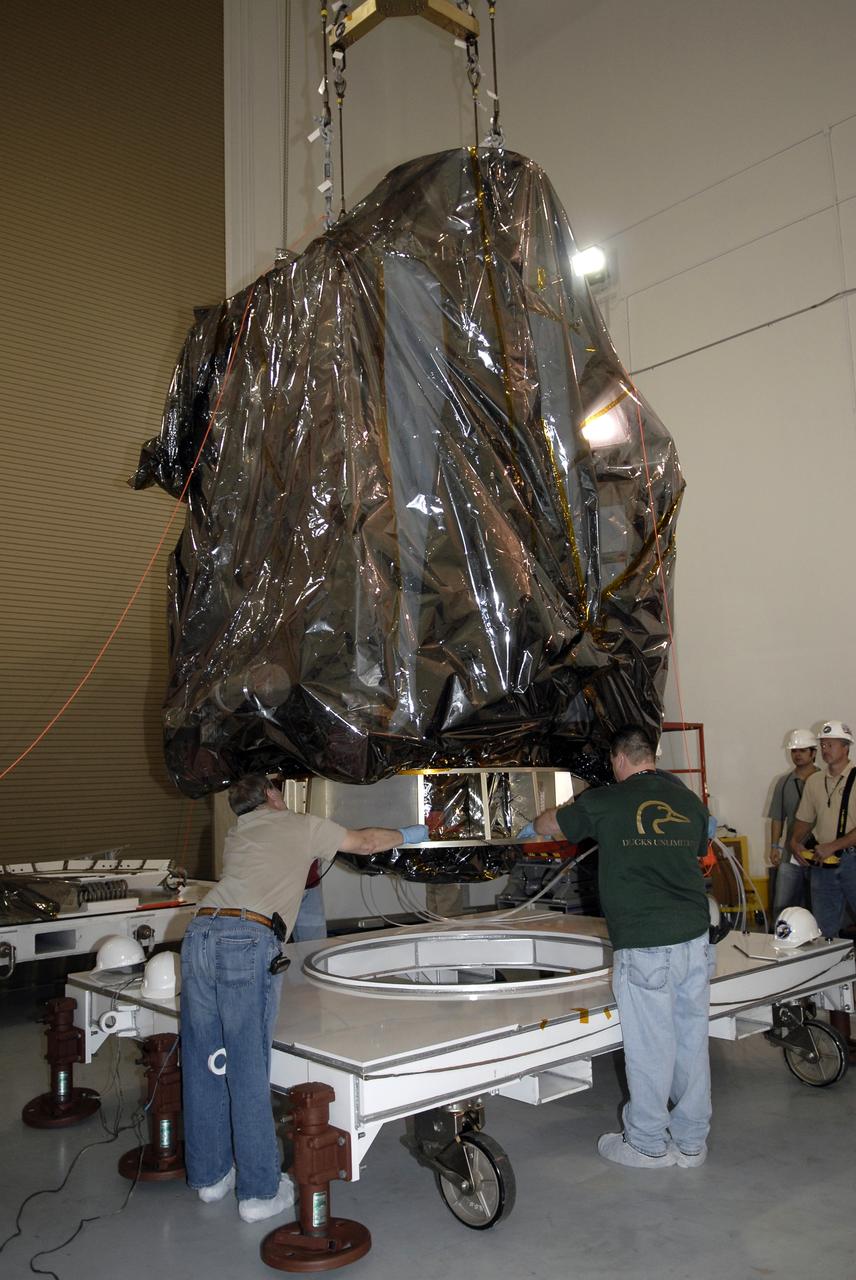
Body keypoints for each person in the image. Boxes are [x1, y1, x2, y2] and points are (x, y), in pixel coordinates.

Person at [180, 772, 427, 1222]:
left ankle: (211, 1178)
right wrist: (415, 832)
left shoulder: (238, 834)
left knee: (206, 1059)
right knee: (247, 1063)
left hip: (198, 935)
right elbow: (367, 842)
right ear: (273, 795)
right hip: (245, 940)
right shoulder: (297, 823)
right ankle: (258, 1193)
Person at [531, 724, 711, 1170]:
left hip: (647, 942)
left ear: (618, 760)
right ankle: (691, 1142)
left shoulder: (605, 800)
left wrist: (544, 814)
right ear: (651, 755)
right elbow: (698, 850)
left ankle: (647, 1142)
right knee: (691, 1040)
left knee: (651, 1045)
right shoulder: (688, 801)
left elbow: (547, 826)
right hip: (695, 937)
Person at [789, 720, 856, 940]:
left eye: (830, 744)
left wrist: (834, 846)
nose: (825, 749)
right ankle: (833, 971)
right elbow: (804, 819)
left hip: (852, 860)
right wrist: (795, 842)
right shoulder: (815, 782)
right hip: (822, 865)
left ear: (845, 747)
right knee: (825, 929)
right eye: (823, 745)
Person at [767, 729, 820, 920]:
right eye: (794, 750)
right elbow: (777, 817)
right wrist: (774, 846)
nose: (797, 755)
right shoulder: (784, 783)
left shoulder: (825, 781)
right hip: (791, 854)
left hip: (820, 854)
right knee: (783, 905)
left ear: (813, 753)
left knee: (818, 904)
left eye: (802, 750)